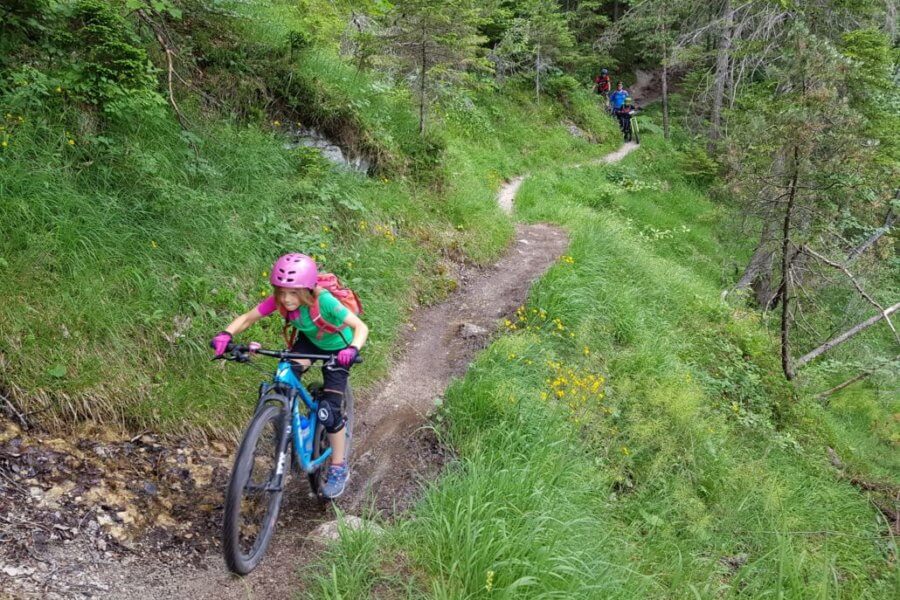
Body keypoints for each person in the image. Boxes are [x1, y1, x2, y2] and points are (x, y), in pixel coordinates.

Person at [211, 253, 369, 499]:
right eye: (282, 292)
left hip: (338, 350)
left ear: (307, 290)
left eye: (294, 293)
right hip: (309, 344)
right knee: (283, 377)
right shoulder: (281, 302)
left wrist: (352, 349)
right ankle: (299, 425)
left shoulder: (324, 301)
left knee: (329, 411)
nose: (286, 299)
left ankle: (339, 467)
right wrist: (226, 334)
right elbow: (248, 318)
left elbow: (360, 327)